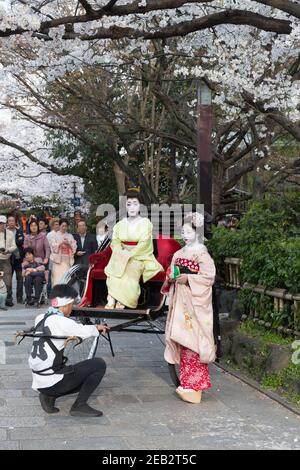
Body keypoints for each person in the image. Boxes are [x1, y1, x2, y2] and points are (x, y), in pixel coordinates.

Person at [28, 284, 107, 417]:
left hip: (39, 381)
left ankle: (48, 396)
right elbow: (83, 330)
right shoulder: (62, 322)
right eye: (72, 304)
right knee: (99, 364)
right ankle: (79, 405)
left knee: (64, 366)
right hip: (52, 381)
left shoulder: (40, 318)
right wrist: (97, 327)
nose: (73, 308)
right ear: (64, 306)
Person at [163, 212, 216, 404]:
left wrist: (189, 278)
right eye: (183, 231)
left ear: (197, 232)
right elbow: (171, 270)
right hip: (180, 298)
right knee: (183, 340)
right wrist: (171, 277)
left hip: (194, 300)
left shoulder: (202, 253)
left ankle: (195, 386)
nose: (184, 235)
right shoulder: (179, 253)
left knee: (194, 340)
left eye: (188, 231)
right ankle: (187, 383)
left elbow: (209, 277)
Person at [104, 190, 163, 309]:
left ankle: (124, 300)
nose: (132, 207)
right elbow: (115, 241)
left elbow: (144, 243)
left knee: (131, 269)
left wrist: (130, 253)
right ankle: (111, 297)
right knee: (114, 269)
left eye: (135, 203)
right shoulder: (119, 224)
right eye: (128, 204)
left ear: (140, 205)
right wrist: (120, 252)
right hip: (121, 254)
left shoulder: (146, 223)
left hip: (139, 256)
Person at [48, 218, 77, 286]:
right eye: (62, 226)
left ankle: (65, 295)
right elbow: (52, 246)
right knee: (57, 279)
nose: (64, 227)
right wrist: (60, 243)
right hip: (57, 261)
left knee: (66, 279)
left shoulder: (70, 236)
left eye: (66, 226)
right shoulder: (54, 235)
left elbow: (74, 247)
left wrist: (68, 244)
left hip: (67, 260)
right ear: (59, 226)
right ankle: (56, 295)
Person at [6, 214, 24, 304]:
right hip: (8, 258)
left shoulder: (19, 231)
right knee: (8, 279)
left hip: (18, 258)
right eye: (9, 221)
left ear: (15, 222)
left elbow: (20, 242)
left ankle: (20, 297)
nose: (11, 222)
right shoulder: (4, 232)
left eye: (12, 221)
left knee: (20, 278)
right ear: (7, 222)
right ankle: (9, 298)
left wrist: (11, 244)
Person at [0, 215, 17, 307]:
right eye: (0, 223)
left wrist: (8, 250)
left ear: (5, 223)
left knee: (8, 281)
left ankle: (8, 299)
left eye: (2, 223)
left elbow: (14, 246)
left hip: (6, 259)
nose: (1, 225)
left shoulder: (10, 233)